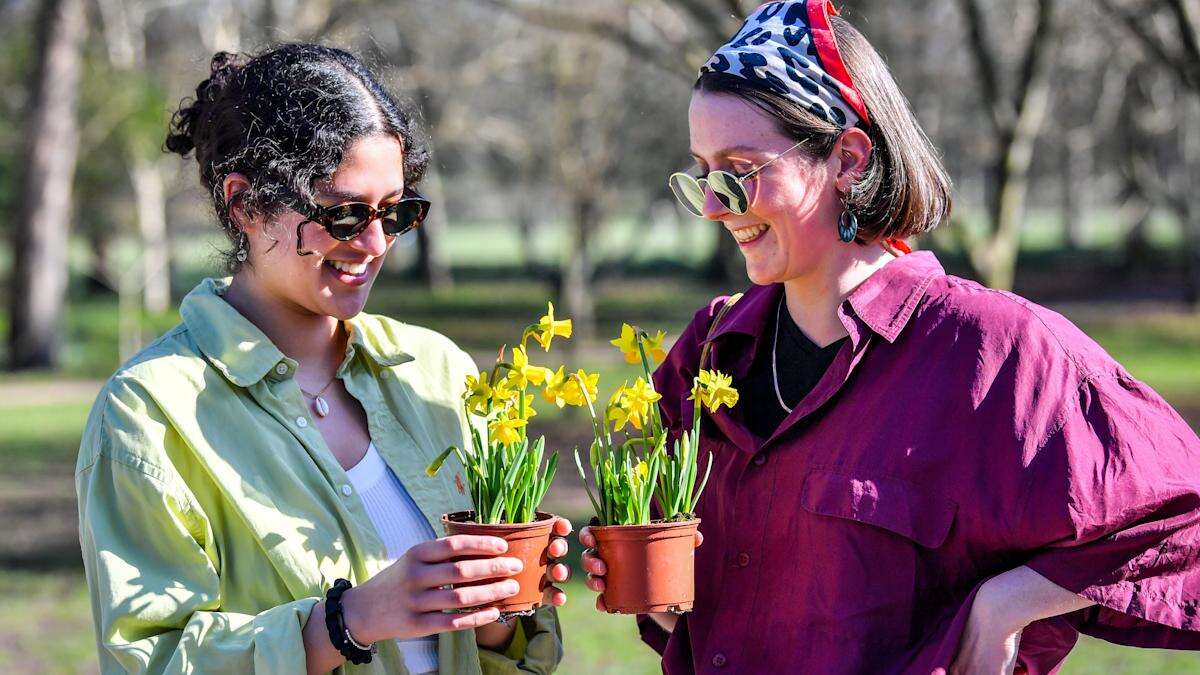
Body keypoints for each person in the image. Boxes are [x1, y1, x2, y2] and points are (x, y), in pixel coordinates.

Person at [579, 2, 1200, 673]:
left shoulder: (993, 351)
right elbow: (696, 609)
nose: (712, 204)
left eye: (740, 168)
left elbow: (1182, 521)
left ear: (847, 158)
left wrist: (1009, 602)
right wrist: (649, 584)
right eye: (702, 172)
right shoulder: (709, 352)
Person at [76, 44, 568, 675]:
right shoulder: (149, 415)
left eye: (395, 213)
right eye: (344, 214)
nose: (374, 244)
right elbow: (149, 659)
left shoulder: (436, 371)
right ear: (245, 204)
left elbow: (516, 655)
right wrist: (347, 620)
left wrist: (497, 611)